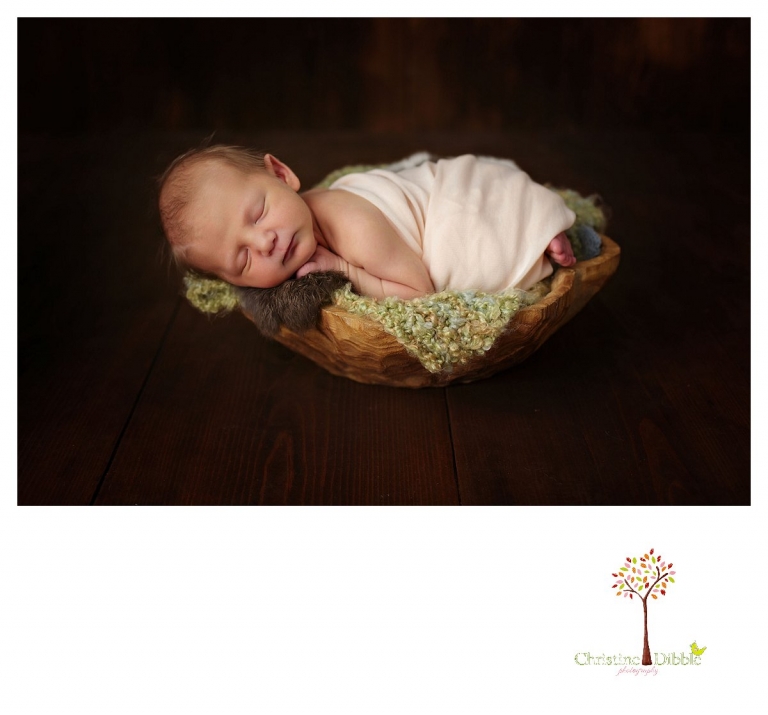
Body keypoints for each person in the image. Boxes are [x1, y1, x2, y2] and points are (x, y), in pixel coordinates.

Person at [158, 145, 577, 300]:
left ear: (282, 175)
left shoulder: (350, 223)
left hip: (450, 207)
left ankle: (531, 229)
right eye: (243, 259)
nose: (264, 242)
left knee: (473, 249)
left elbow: (419, 291)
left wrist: (343, 270)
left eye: (258, 214)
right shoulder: (297, 226)